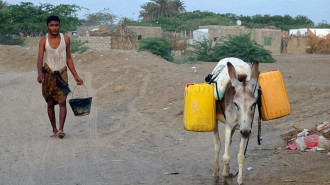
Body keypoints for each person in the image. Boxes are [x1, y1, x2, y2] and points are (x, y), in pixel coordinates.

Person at [37, 15, 83, 139]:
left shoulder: (66, 39)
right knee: (50, 102)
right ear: (47, 27)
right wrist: (40, 73)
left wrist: (76, 76)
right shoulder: (43, 40)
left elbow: (68, 58)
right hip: (48, 73)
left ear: (60, 26)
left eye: (56, 25)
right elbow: (40, 58)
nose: (54, 27)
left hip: (62, 72)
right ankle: (54, 129)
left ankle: (61, 129)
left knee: (62, 101)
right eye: (51, 25)